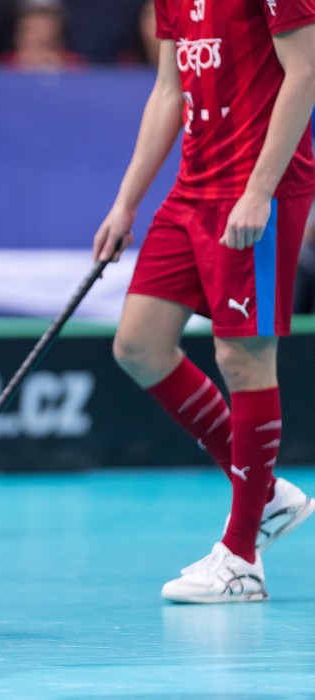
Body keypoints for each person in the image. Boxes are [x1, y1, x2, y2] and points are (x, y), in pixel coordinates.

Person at [92, 0, 315, 603]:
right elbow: (169, 91)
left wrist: (260, 190)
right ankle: (267, 496)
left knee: (243, 357)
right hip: (192, 189)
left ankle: (241, 557)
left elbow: (306, 71)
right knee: (138, 345)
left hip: (256, 188)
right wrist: (126, 203)